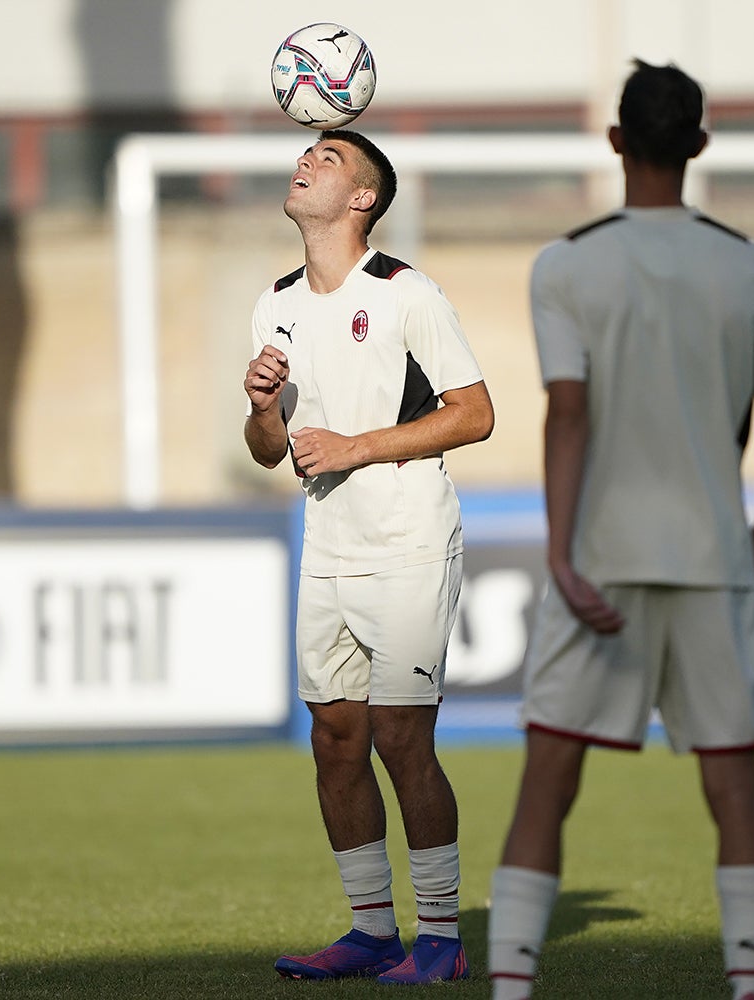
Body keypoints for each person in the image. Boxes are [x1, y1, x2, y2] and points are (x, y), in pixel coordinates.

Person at [486, 60, 754, 1000]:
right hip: (713, 558)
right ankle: (750, 988)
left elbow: (568, 414)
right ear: (699, 145)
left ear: (616, 141)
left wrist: (558, 552)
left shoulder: (569, 262)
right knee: (734, 787)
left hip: (601, 563)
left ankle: (512, 988)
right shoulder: (749, 264)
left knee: (549, 780)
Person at [243, 129, 494, 985]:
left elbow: (475, 413)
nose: (307, 161)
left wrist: (357, 446)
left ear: (363, 199)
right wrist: (262, 406)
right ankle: (369, 932)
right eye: (306, 153)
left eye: (331, 159)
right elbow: (266, 452)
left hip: (408, 540)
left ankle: (440, 940)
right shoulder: (272, 301)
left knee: (401, 737)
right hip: (329, 547)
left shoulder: (403, 292)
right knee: (335, 739)